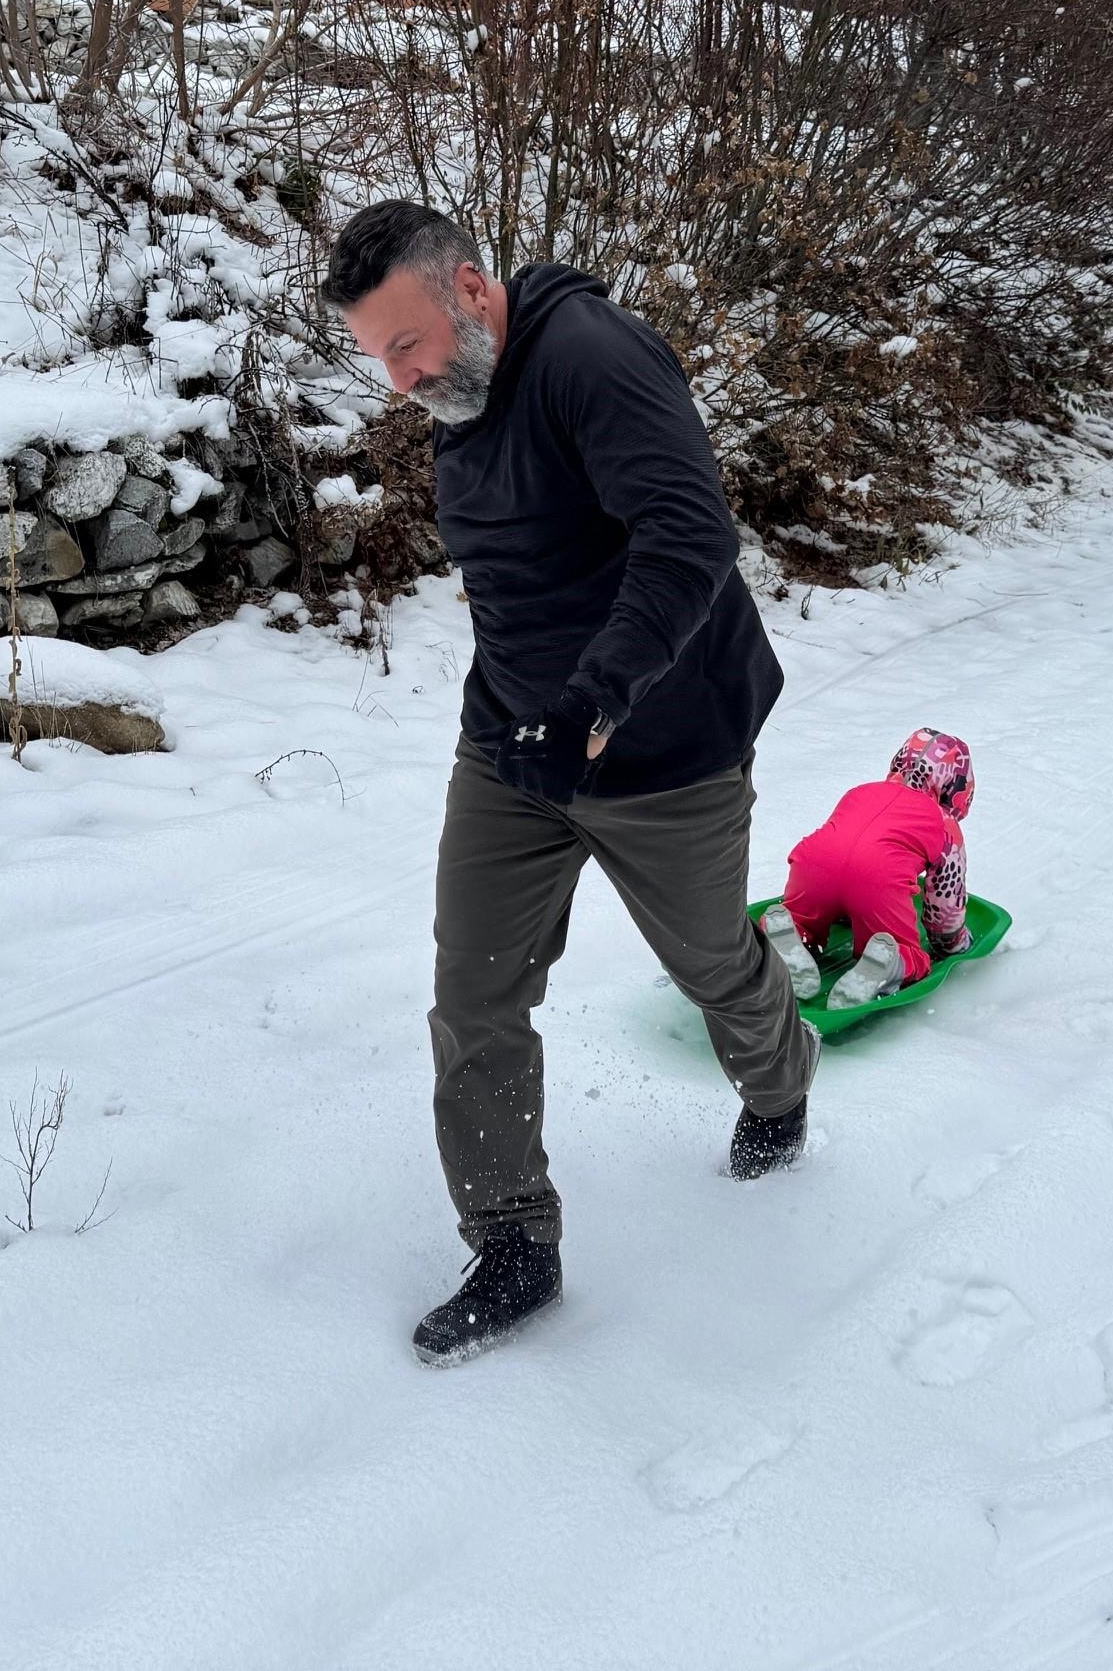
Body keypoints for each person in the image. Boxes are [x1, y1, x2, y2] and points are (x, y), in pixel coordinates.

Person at [324, 200, 818, 1367]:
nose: (400, 381)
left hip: (663, 749)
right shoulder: (465, 389)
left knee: (706, 957)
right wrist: (519, 714)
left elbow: (691, 535)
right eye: (380, 358)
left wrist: (596, 700)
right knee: (475, 990)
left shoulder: (594, 359)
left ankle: (779, 1081)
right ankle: (513, 1244)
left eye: (408, 345)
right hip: (512, 748)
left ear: (474, 290)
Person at [763, 730, 977, 1009]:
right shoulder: (944, 824)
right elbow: (943, 911)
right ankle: (889, 962)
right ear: (956, 786)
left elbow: (846, 852)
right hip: (877, 882)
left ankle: (791, 930)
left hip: (812, 863)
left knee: (805, 916)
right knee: (910, 954)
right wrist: (953, 943)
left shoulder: (860, 792)